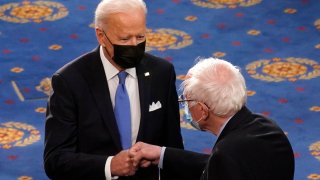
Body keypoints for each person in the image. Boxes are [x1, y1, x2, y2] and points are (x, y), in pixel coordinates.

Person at [43, 0, 184, 179]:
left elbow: (173, 150)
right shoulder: (69, 81)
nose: (134, 45)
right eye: (125, 39)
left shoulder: (161, 73)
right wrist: (110, 166)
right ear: (101, 36)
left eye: (140, 37)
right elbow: (56, 160)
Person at [129, 58, 295, 180]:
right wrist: (162, 155)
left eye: (186, 101)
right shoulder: (267, 127)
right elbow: (220, 165)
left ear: (202, 110)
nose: (184, 107)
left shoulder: (226, 154)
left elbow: (222, 165)